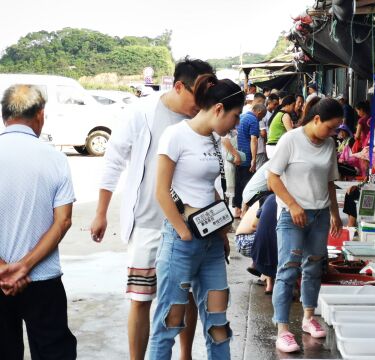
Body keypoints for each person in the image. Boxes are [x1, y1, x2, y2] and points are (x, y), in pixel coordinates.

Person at [90, 58, 212, 360]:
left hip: (189, 225)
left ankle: (185, 356)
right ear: (179, 86)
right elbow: (114, 160)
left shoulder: (203, 119)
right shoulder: (142, 113)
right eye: (197, 97)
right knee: (141, 298)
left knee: (184, 298)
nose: (201, 105)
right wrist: (101, 212)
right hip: (148, 222)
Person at [150, 75, 244, 359]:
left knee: (218, 324)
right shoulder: (175, 135)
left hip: (212, 245)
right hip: (182, 243)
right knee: (170, 323)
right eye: (235, 116)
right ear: (218, 109)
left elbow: (208, 190)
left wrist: (222, 230)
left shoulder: (215, 139)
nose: (236, 123)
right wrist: (183, 232)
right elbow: (161, 191)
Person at [0, 84, 77, 359]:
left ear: (3, 115)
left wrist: (4, 269)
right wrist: (24, 267)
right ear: (40, 115)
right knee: (53, 352)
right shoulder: (55, 159)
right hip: (42, 279)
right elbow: (63, 221)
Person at [267, 97, 343, 352]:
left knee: (313, 267)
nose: (333, 133)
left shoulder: (330, 144)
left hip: (320, 215)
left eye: (336, 129)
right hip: (293, 216)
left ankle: (309, 318)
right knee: (287, 270)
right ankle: (283, 330)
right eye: (330, 127)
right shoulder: (291, 140)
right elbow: (273, 179)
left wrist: (335, 213)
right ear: (316, 119)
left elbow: (330, 182)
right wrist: (292, 205)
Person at [235, 103, 267, 215]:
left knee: (238, 183)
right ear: (258, 112)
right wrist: (253, 159)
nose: (261, 119)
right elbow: (254, 140)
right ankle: (244, 211)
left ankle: (237, 209)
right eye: (262, 116)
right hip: (247, 156)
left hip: (238, 155)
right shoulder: (253, 120)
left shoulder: (241, 117)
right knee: (247, 183)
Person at [251, 194, 279, 295]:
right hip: (281, 255)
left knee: (266, 237)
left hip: (260, 255)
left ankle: (269, 284)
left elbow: (254, 225)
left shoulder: (269, 198)